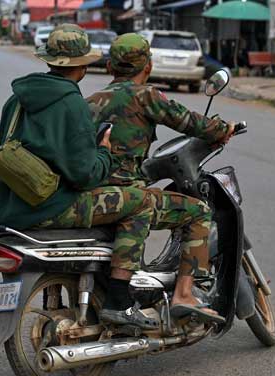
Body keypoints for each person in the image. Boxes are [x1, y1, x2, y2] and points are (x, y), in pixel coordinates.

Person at [0, 24, 159, 329]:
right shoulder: (72, 103)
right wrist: (104, 150)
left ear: (49, 60)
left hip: (7, 209)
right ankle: (120, 299)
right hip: (50, 208)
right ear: (82, 66)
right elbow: (86, 175)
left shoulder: (15, 101)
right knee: (141, 201)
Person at [86, 33, 236, 323]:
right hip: (129, 196)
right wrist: (221, 130)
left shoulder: (90, 102)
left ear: (109, 67)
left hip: (97, 196)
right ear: (148, 66)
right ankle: (184, 293)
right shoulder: (147, 96)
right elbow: (187, 121)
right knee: (198, 212)